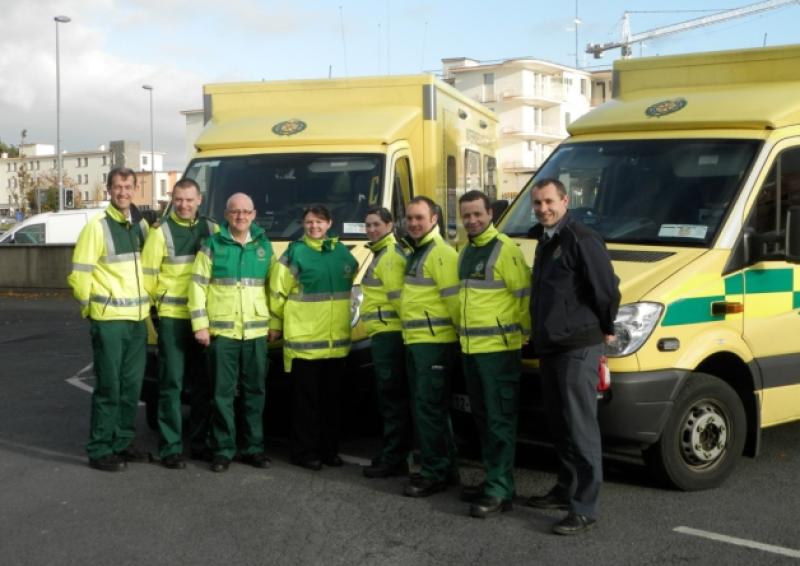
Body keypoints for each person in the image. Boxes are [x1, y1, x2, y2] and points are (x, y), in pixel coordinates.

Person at [526, 178, 620, 535]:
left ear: (565, 200)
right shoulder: (546, 239)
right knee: (561, 425)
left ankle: (584, 507)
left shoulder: (581, 238)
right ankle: (566, 490)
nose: (543, 208)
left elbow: (606, 288)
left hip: (578, 347)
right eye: (537, 203)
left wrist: (607, 325)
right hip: (552, 347)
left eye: (549, 201)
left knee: (581, 429)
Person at [67, 167, 151, 472]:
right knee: (109, 387)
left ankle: (123, 442)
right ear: (109, 190)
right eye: (118, 187)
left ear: (135, 189)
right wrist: (92, 311)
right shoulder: (97, 228)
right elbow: (80, 275)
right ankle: (100, 448)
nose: (123, 192)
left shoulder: (140, 227)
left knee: (131, 387)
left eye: (128, 186)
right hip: (110, 321)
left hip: (137, 320)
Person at [188, 192, 275, 473]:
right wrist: (199, 324)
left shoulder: (264, 246)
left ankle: (253, 448)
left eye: (246, 212)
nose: (241, 216)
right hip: (222, 334)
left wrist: (276, 323)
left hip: (256, 333)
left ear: (254, 215)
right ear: (226, 215)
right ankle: (223, 449)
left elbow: (274, 288)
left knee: (255, 393)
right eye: (235, 211)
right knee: (222, 394)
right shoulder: (211, 245)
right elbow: (197, 286)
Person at [456, 190, 531, 518]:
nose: (472, 221)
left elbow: (524, 296)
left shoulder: (506, 250)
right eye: (466, 215)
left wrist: (523, 336)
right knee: (484, 420)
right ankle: (494, 481)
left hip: (499, 352)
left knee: (499, 421)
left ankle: (500, 489)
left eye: (477, 214)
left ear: (490, 214)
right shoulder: (465, 252)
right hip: (472, 350)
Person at [269, 205, 358, 471]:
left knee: (332, 402)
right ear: (303, 225)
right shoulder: (295, 253)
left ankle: (329, 450)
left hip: (336, 344)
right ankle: (305, 452)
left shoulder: (343, 253)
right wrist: (275, 324)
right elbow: (277, 292)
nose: (314, 226)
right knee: (305, 405)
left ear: (329, 223)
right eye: (309, 222)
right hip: (305, 344)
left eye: (319, 222)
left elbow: (351, 277)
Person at [141, 178, 218, 469]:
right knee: (170, 385)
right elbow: (148, 278)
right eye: (179, 199)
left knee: (203, 386)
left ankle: (199, 444)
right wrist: (154, 315)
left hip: (203, 320)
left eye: (189, 199)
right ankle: (171, 447)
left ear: (200, 200)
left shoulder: (212, 228)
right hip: (172, 320)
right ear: (172, 200)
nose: (184, 205)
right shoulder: (160, 233)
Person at [400, 196, 461, 497]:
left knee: (429, 410)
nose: (413, 223)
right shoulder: (418, 251)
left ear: (434, 219)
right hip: (419, 343)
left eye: (419, 218)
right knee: (431, 409)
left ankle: (433, 473)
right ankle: (446, 469)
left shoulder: (441, 254)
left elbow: (454, 303)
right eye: (409, 218)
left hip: (435, 345)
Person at [360, 206, 412, 479]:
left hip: (389, 335)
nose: (371, 229)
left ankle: (394, 458)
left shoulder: (389, 256)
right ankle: (392, 453)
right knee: (389, 399)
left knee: (392, 400)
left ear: (390, 224)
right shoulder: (381, 252)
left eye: (376, 224)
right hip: (382, 334)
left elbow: (399, 301)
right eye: (368, 225)